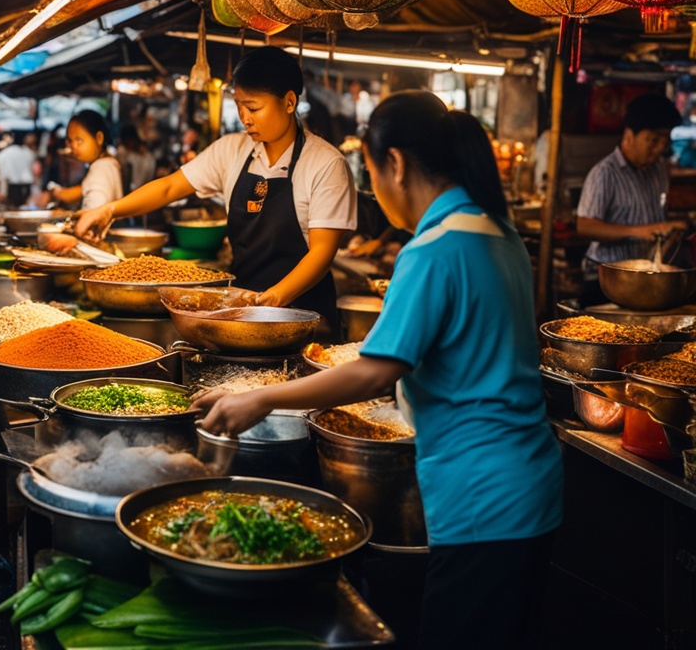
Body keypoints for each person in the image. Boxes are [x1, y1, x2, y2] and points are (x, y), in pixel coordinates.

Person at [194, 90, 563, 650]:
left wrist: (262, 398)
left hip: (481, 497)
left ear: (395, 163)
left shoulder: (435, 248)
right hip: (531, 487)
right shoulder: (499, 232)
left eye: (368, 172)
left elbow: (374, 372)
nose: (374, 192)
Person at [74, 46, 357, 335]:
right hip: (241, 314)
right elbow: (169, 187)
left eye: (254, 107)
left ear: (289, 102)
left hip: (305, 319)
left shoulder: (326, 164)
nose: (245, 117)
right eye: (239, 105)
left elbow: (322, 253)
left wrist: (271, 300)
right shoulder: (231, 149)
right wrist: (109, 209)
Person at [576, 93, 688, 306]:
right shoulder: (604, 173)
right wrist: (643, 231)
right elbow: (584, 226)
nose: (659, 148)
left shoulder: (659, 171)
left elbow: (659, 222)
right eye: (653, 140)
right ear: (629, 136)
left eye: (664, 141)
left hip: (646, 279)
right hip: (606, 283)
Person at [44, 110, 123, 210]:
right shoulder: (106, 163)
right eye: (70, 140)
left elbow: (94, 210)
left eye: (79, 140)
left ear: (99, 138)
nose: (73, 146)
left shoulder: (102, 168)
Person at [0, 132, 36, 207]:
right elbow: (31, 171)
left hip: (12, 187)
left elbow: (3, 175)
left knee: (13, 208)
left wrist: (3, 191)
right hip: (25, 186)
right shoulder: (28, 152)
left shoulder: (4, 154)